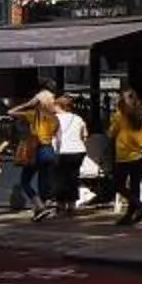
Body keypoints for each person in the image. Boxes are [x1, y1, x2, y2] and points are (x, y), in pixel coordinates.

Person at [103, 90, 142, 225]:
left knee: (117, 184)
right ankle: (130, 215)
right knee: (135, 185)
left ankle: (139, 205)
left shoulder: (120, 115)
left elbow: (111, 133)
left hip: (125, 155)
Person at [40, 93, 89, 221]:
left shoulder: (53, 118)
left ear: (59, 106)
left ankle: (60, 205)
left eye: (54, 105)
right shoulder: (78, 118)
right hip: (78, 151)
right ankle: (72, 205)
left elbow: (49, 135)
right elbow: (84, 135)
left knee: (59, 179)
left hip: (61, 151)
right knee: (73, 178)